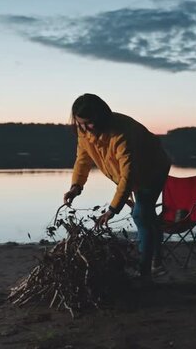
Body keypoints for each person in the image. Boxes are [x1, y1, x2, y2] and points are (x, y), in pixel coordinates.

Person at [63, 93, 171, 279]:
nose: (85, 128)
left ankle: (145, 272)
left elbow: (128, 175)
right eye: (80, 123)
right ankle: (157, 259)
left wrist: (112, 209)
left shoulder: (121, 132)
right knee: (147, 215)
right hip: (132, 174)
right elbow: (83, 159)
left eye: (89, 122)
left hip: (153, 169)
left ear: (100, 116)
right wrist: (76, 186)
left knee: (140, 214)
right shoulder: (84, 131)